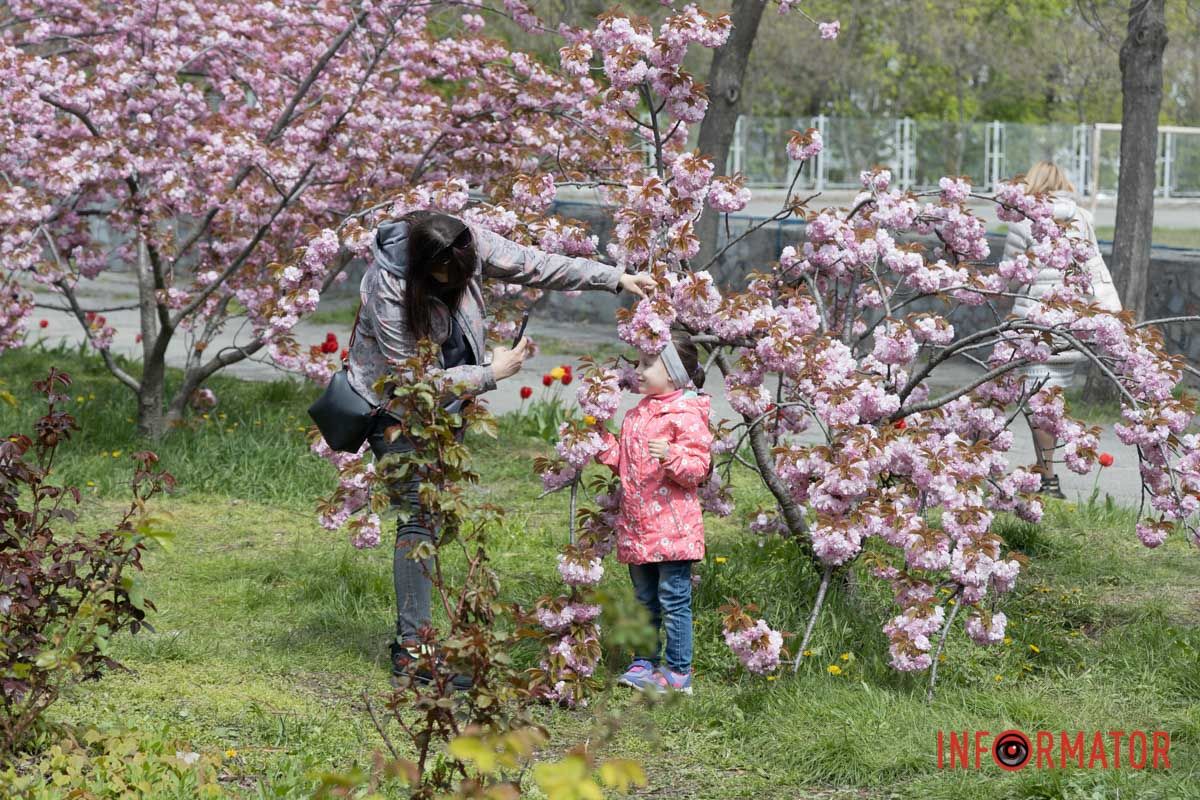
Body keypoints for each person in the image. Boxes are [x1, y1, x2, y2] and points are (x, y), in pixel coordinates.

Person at [346, 210, 655, 685]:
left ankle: (431, 637)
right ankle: (414, 652)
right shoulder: (384, 285)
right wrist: (491, 373)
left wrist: (616, 278)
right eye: (449, 277)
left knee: (435, 518)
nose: (461, 282)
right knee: (418, 517)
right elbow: (411, 379)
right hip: (396, 408)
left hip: (449, 404)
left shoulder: (466, 242)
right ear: (424, 266)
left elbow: (534, 263)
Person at [595, 328, 712, 695]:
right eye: (639, 363)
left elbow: (698, 469)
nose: (639, 371)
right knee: (643, 599)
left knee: (673, 599)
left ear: (674, 373)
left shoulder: (686, 413)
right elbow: (624, 463)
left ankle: (678, 672)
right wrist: (599, 439)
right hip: (637, 526)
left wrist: (672, 455)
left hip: (673, 528)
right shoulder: (636, 414)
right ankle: (644, 661)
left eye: (648, 364)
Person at [1005, 161, 1122, 499]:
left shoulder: (1023, 221)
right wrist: (1110, 317)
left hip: (1033, 329)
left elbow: (1013, 275)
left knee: (1038, 405)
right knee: (1051, 402)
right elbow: (1095, 269)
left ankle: (1048, 477)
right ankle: (1048, 473)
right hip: (1069, 328)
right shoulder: (1081, 218)